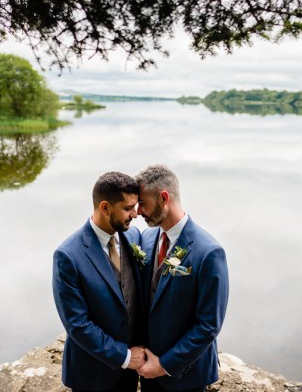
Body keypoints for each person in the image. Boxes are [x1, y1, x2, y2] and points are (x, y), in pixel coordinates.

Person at [135, 164, 230, 392]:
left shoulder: (209, 253)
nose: (138, 211)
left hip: (186, 377)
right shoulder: (147, 238)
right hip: (149, 374)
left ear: (164, 198)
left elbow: (208, 325)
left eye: (143, 204)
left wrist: (165, 365)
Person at [52, 171, 147, 392]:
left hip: (130, 371)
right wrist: (124, 357)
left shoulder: (133, 237)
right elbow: (77, 323)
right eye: (127, 208)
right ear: (104, 207)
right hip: (92, 375)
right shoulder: (68, 256)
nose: (135, 214)